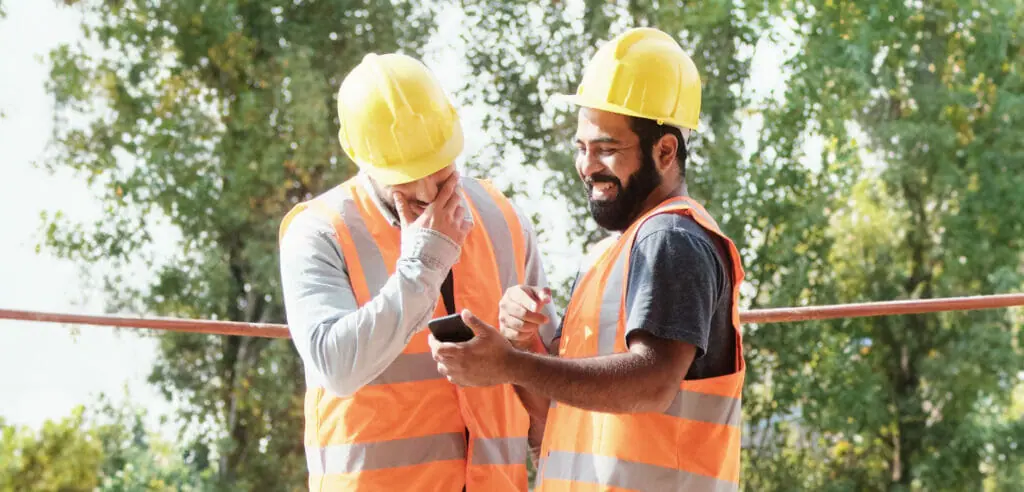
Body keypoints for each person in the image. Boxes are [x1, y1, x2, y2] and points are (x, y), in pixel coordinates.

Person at [428, 27, 747, 491]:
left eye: (607, 148)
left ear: (665, 150)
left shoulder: (673, 239)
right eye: (581, 147)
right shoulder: (610, 255)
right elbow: (557, 409)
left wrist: (510, 365)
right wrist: (524, 344)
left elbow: (653, 382)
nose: (587, 165)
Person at [278, 52, 557, 491]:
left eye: (437, 167)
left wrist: (527, 337)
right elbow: (337, 367)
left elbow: (551, 370)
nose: (428, 191)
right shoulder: (319, 232)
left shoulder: (504, 219)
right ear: (362, 159)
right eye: (406, 177)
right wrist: (422, 263)